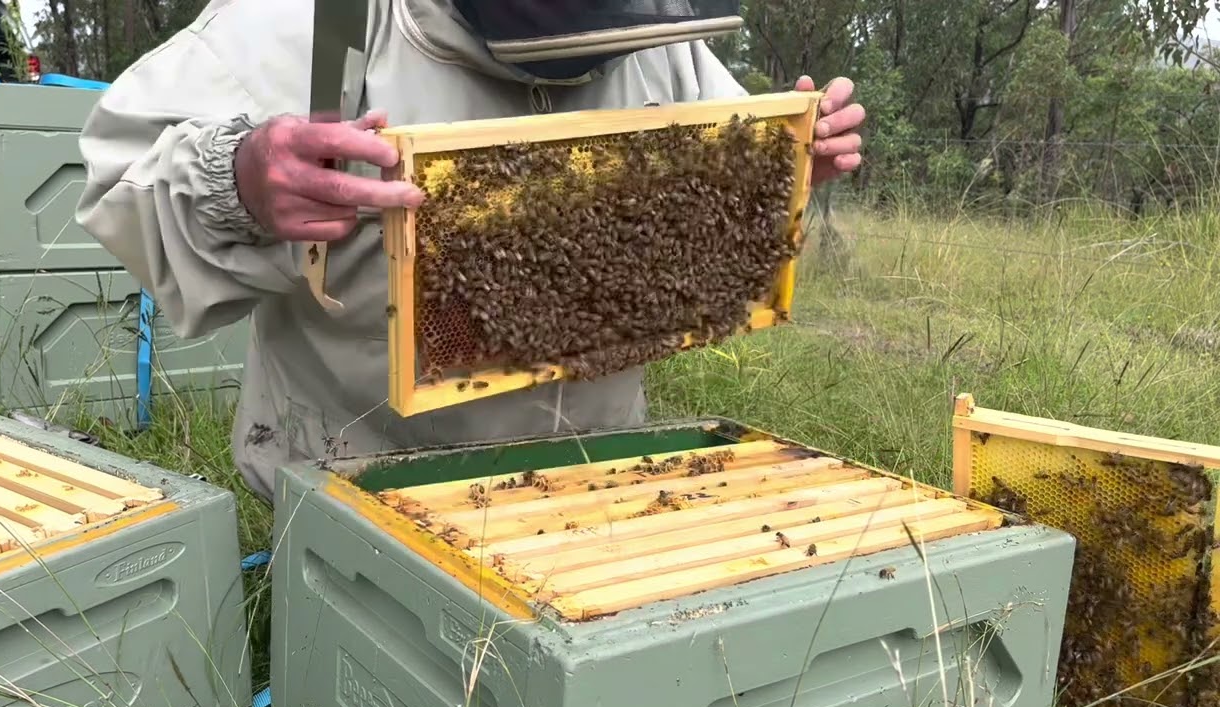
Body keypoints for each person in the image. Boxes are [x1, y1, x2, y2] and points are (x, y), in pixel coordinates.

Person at [75, 0, 866, 502]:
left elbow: (724, 174)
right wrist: (238, 177)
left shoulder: (658, 32)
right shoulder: (317, 20)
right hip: (358, 476)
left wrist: (788, 166)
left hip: (595, 477)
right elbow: (117, 178)